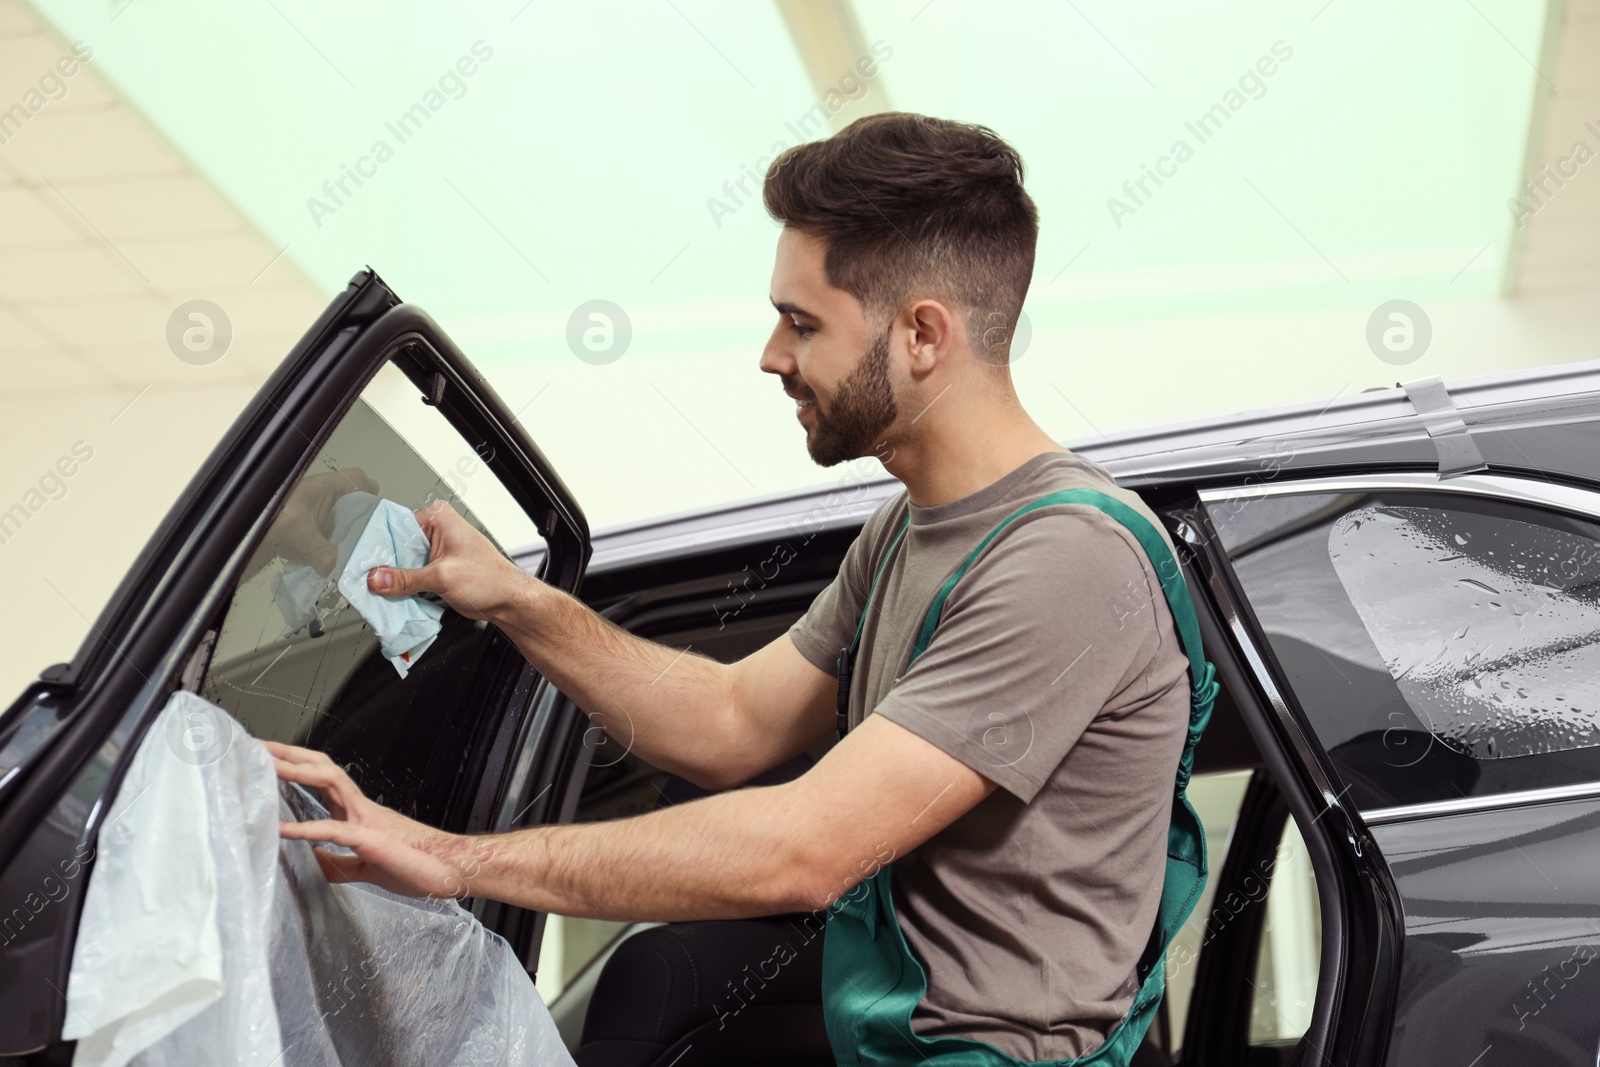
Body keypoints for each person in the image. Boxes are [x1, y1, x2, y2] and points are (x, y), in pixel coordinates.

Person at [271, 112, 1199, 1065]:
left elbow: (804, 848)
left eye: (803, 322)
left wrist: (455, 860)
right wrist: (513, 597)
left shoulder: (1064, 560)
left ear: (923, 333)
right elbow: (730, 721)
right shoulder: (904, 534)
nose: (772, 355)